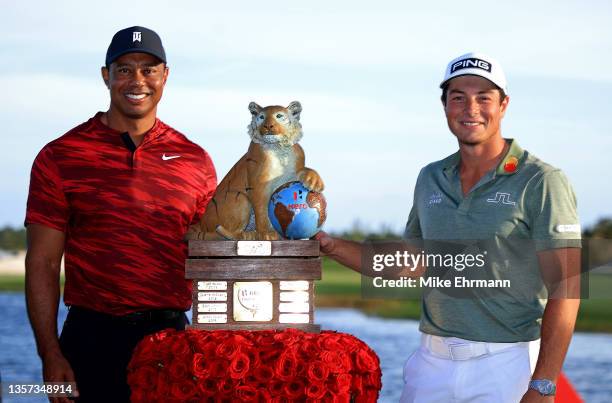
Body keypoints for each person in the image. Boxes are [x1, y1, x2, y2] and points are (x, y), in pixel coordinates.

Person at [316, 52, 582, 402]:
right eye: (458, 98)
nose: (471, 108)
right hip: (431, 364)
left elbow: (567, 287)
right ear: (445, 107)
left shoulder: (542, 180)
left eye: (484, 98)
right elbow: (409, 262)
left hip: (505, 367)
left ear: (503, 105)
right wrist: (331, 245)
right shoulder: (430, 178)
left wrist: (543, 384)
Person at [24, 26, 216, 402]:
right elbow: (43, 262)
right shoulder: (60, 156)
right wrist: (50, 353)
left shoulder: (195, 160)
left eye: (149, 69)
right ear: (106, 76)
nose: (137, 80)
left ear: (165, 76)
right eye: (124, 69)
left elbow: (210, 260)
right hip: (90, 341)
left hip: (171, 340)